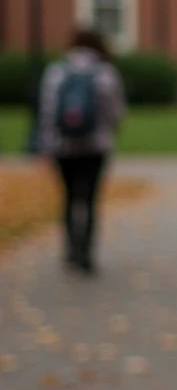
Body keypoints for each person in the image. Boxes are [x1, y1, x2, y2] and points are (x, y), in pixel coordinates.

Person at [38, 26, 126, 274]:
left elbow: (47, 111)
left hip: (62, 147)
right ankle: (86, 253)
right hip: (95, 147)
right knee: (90, 198)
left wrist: (46, 145)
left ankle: (70, 249)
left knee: (67, 197)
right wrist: (109, 133)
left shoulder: (56, 71)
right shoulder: (106, 73)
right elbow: (115, 112)